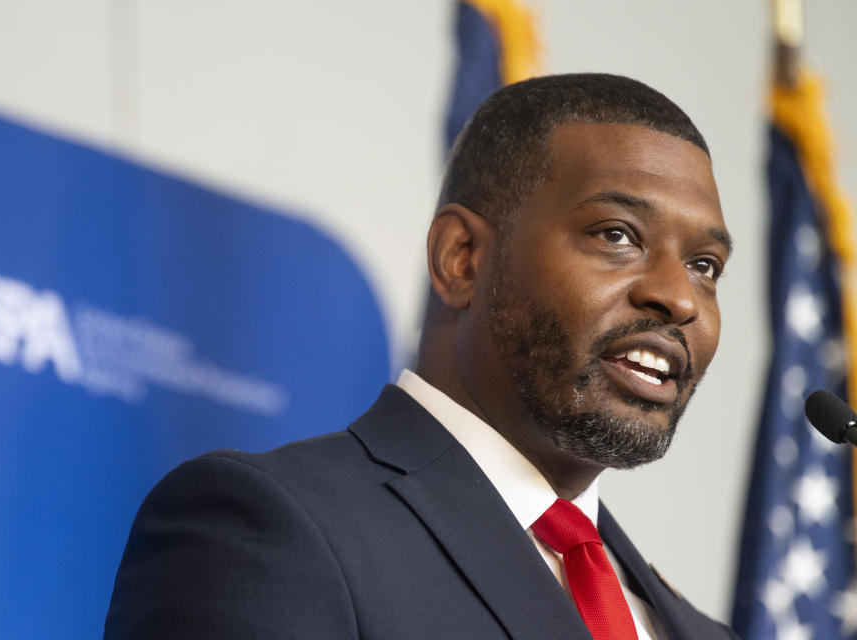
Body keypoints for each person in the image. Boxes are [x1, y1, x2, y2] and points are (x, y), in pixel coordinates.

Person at [104, 73, 738, 639]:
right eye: (618, 235)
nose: (678, 298)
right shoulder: (271, 529)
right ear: (461, 258)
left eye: (705, 266)